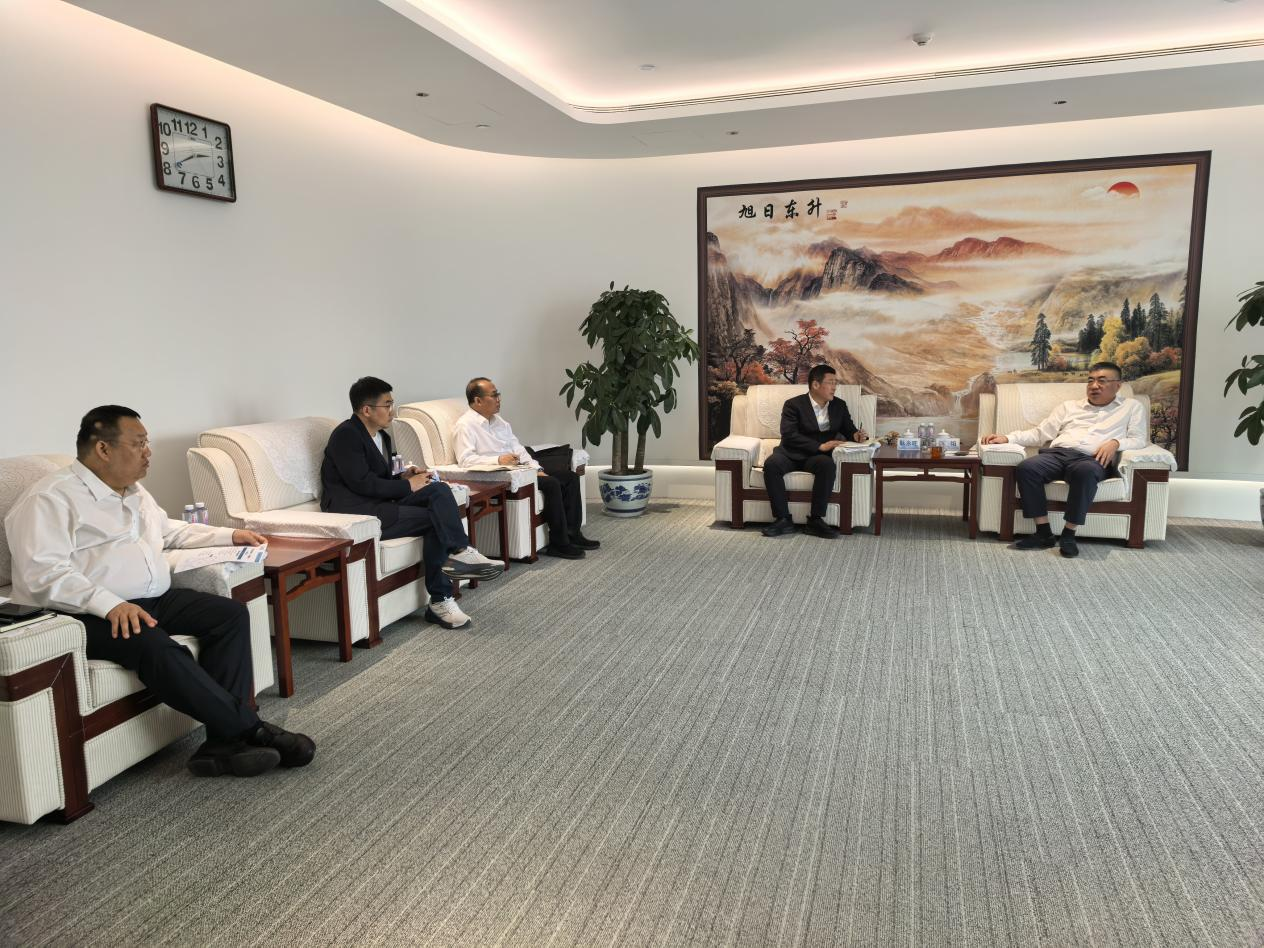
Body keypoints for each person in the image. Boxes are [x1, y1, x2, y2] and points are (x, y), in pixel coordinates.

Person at [4, 406, 315, 779]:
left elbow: (167, 531)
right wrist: (110, 604)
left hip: (149, 600)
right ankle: (253, 729)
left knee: (228, 615)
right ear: (103, 449)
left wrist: (229, 535)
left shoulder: (132, 491)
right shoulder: (50, 499)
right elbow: (43, 575)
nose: (148, 452)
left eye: (146, 443)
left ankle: (222, 744)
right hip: (84, 614)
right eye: (139, 443)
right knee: (153, 644)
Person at [320, 376, 503, 630]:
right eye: (387, 404)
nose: (392, 410)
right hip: (359, 512)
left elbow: (381, 476)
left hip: (382, 502)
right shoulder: (346, 435)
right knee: (435, 521)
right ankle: (441, 599)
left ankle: (462, 552)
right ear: (366, 410)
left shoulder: (382, 437)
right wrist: (408, 486)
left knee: (438, 490)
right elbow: (362, 483)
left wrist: (405, 476)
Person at [980, 361, 1148, 558]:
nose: (1094, 386)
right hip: (1058, 455)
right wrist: (1007, 438)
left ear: (1117, 385)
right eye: (1090, 380)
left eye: (1102, 381)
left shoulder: (1131, 407)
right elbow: (1040, 433)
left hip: (1091, 460)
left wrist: (1115, 443)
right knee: (1027, 468)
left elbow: (1139, 439)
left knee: (1085, 472)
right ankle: (1043, 533)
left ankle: (1069, 535)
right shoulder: (1069, 407)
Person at [451, 377, 599, 560]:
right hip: (504, 476)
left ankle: (573, 534)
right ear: (478, 401)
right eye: (494, 395)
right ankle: (559, 544)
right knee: (552, 484)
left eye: (498, 394)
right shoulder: (465, 426)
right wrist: (498, 460)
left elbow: (519, 449)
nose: (499, 399)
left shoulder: (499, 422)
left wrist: (537, 469)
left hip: (523, 471)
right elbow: (465, 460)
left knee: (569, 477)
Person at [762, 364, 869, 539]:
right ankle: (783, 519)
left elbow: (849, 430)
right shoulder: (793, 405)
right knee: (771, 464)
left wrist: (857, 435)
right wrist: (819, 446)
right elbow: (789, 434)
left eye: (836, 383)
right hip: (790, 453)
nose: (834, 387)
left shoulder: (839, 406)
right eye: (830, 382)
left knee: (827, 466)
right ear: (815, 384)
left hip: (816, 458)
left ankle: (815, 520)